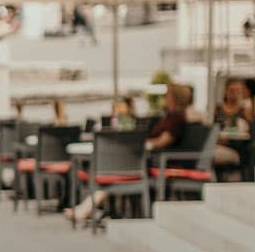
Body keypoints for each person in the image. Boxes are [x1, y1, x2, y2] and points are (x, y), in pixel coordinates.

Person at [67, 83, 191, 224]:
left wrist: (145, 143)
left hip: (158, 161)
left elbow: (164, 140)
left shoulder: (175, 118)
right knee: (117, 170)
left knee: (116, 171)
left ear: (175, 98)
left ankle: (86, 208)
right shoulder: (171, 116)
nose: (164, 98)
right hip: (149, 159)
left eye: (167, 95)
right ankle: (87, 208)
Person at [213, 79, 253, 170]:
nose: (234, 93)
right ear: (226, 91)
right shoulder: (218, 109)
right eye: (232, 90)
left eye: (238, 91)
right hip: (220, 143)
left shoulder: (245, 110)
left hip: (238, 146)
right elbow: (212, 128)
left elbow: (250, 132)